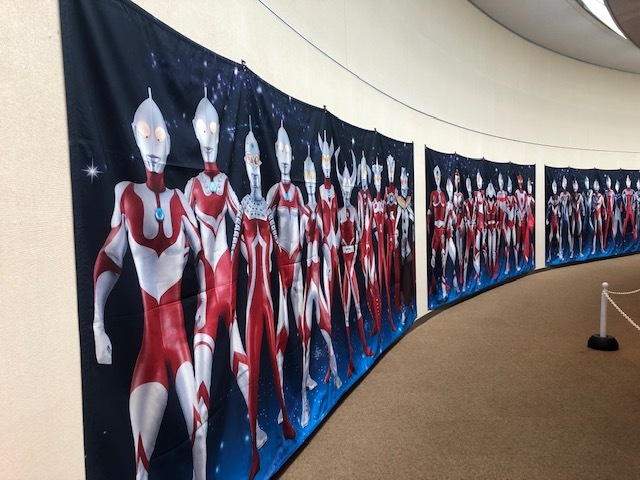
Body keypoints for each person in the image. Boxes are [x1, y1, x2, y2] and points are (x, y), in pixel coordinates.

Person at [92, 89, 206, 480]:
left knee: (200, 434)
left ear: (169, 142)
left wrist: (206, 301)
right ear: (134, 136)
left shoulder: (180, 200)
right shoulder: (125, 195)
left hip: (180, 346)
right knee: (141, 464)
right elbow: (110, 257)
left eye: (159, 136)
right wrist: (98, 325)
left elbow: (204, 255)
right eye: (145, 134)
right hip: (150, 349)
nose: (154, 145)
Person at [230, 122, 295, 480]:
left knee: (276, 358)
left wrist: (286, 289)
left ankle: (285, 419)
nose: (255, 164)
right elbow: (232, 256)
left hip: (269, 298)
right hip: (253, 302)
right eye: (250, 158)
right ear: (244, 161)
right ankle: (255, 450)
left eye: (258, 158)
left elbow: (279, 255)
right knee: (254, 370)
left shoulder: (267, 212)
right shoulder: (242, 209)